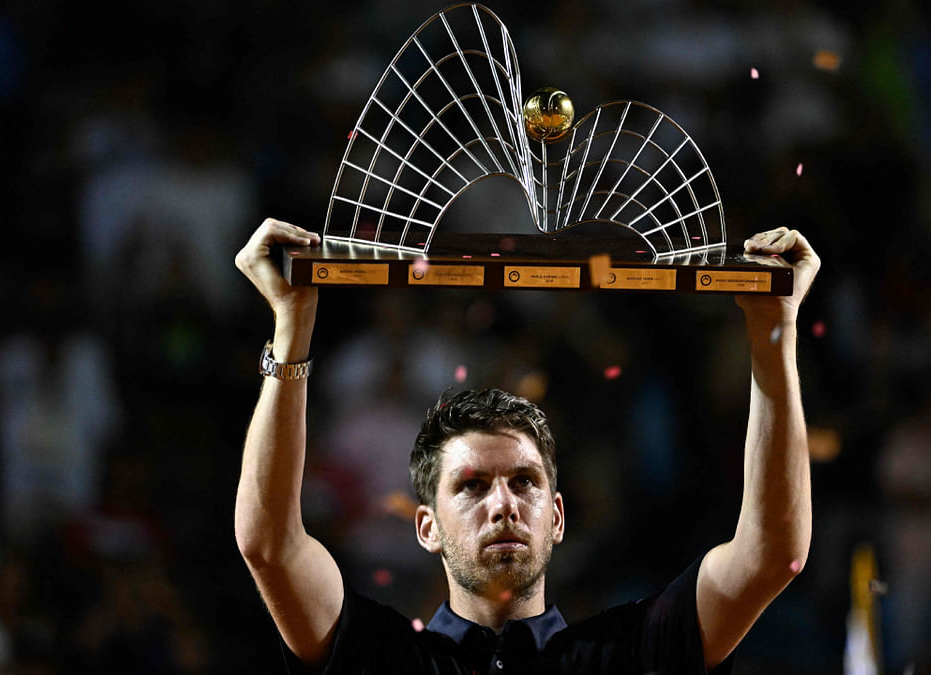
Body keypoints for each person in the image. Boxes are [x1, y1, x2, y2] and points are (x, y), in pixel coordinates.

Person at [233, 218, 820, 674]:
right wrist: (292, 324)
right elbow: (269, 546)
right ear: (427, 526)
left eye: (525, 481)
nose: (503, 503)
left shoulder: (631, 652)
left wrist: (776, 334)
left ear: (557, 516)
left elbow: (773, 555)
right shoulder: (382, 657)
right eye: (470, 486)